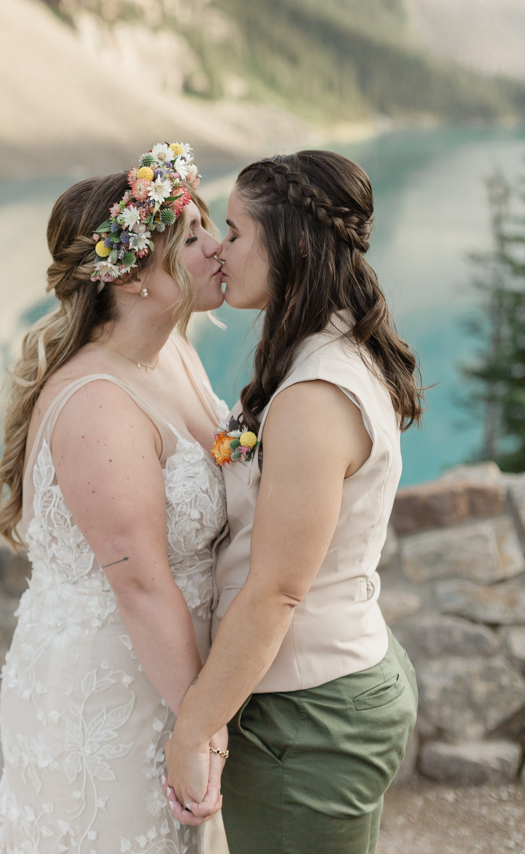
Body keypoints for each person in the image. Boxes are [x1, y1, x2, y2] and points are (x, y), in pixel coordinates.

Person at [0, 143, 230, 854]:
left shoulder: (173, 350)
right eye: (192, 238)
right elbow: (143, 585)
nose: (218, 250)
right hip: (108, 691)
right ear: (132, 276)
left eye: (209, 229)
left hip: (171, 674)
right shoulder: (96, 404)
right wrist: (201, 728)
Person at [163, 150, 421, 854]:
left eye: (237, 231)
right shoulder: (323, 348)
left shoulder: (313, 395)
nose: (220, 247)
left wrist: (194, 728)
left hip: (309, 717)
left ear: (293, 244)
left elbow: (277, 590)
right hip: (322, 690)